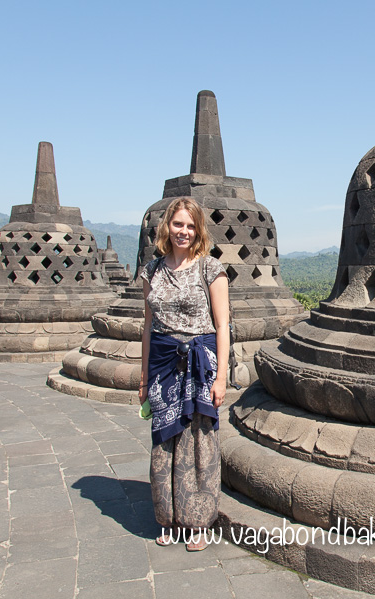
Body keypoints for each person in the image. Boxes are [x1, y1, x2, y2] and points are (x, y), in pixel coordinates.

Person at [138, 197, 229, 552]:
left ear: (198, 231)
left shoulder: (211, 269)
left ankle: (198, 522)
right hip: (162, 362)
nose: (183, 232)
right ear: (167, 227)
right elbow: (147, 326)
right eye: (178, 224)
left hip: (200, 361)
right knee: (164, 440)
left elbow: (223, 326)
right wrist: (144, 376)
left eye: (190, 226)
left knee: (199, 439)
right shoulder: (151, 272)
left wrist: (221, 376)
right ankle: (168, 517)